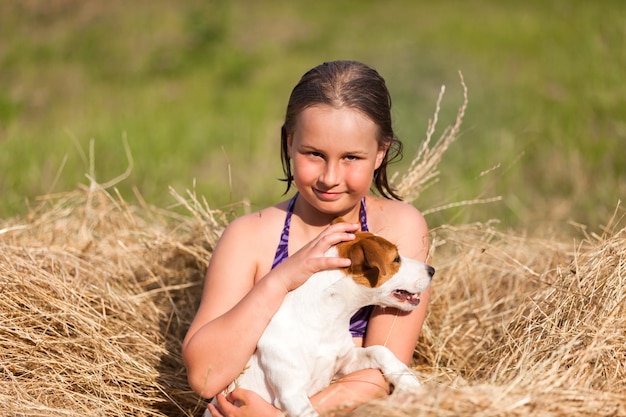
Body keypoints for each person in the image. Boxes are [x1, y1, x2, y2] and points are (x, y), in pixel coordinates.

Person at [182, 60, 431, 417]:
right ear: (290, 141)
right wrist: (282, 278)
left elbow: (379, 377)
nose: (330, 177)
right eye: (314, 154)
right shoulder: (250, 236)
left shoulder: (398, 228)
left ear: (380, 153)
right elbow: (206, 377)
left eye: (351, 157)